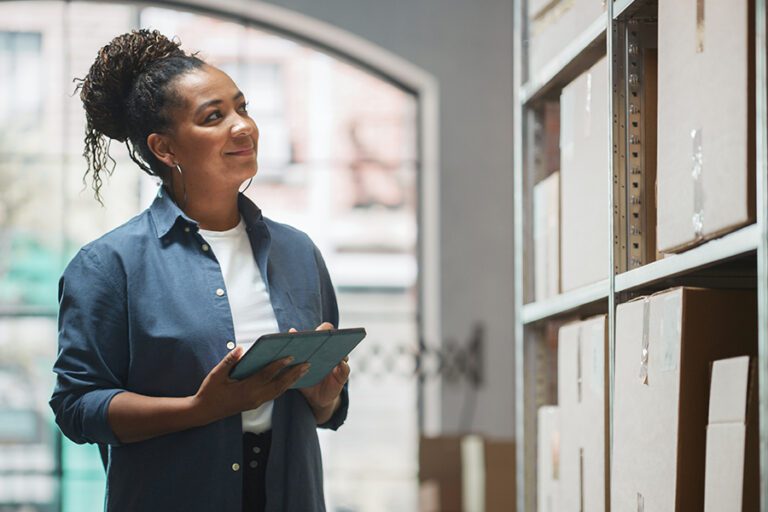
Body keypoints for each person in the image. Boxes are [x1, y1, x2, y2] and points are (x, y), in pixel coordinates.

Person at [49, 29, 350, 512]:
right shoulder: (108, 265)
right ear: (165, 149)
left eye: (242, 107)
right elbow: (77, 408)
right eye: (214, 117)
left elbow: (325, 412)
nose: (243, 126)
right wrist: (201, 410)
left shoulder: (298, 253)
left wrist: (322, 397)